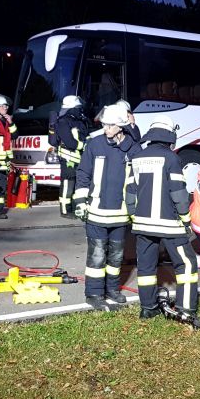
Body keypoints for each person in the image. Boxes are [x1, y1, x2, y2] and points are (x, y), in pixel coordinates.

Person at [126, 114, 199, 319]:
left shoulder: (137, 157)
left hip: (142, 223)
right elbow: (179, 195)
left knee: (146, 267)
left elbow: (130, 193)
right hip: (169, 224)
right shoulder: (172, 158)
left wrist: (135, 217)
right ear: (169, 136)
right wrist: (185, 219)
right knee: (185, 264)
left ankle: (148, 308)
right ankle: (186, 309)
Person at [74, 103, 135, 311]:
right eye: (105, 125)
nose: (105, 128)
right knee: (97, 255)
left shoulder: (133, 148)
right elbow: (83, 174)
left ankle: (112, 290)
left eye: (109, 125)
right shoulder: (95, 144)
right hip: (97, 212)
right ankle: (93, 293)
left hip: (120, 214)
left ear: (120, 126)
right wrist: (80, 202)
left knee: (116, 255)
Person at [50, 95, 90, 217]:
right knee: (68, 185)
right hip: (68, 159)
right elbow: (70, 142)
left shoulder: (78, 121)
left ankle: (74, 208)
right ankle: (65, 211)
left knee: (76, 185)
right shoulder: (62, 122)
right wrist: (84, 145)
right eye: (77, 107)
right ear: (71, 108)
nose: (79, 110)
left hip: (79, 158)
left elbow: (84, 136)